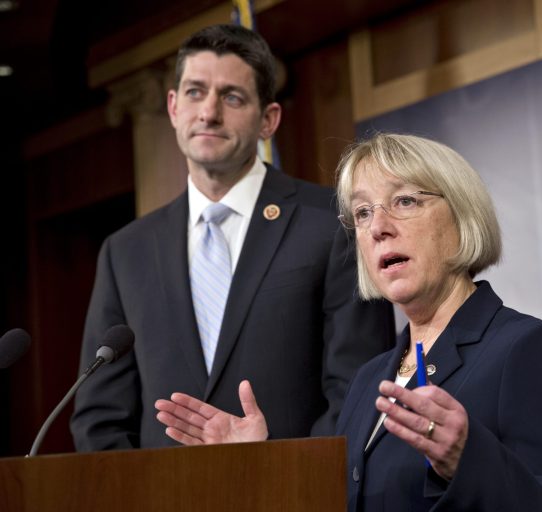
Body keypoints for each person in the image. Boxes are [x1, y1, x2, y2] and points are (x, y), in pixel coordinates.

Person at [155, 133, 542, 511]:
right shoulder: (368, 380)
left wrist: (470, 461)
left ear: (462, 219)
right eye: (362, 212)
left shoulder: (529, 351)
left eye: (404, 201)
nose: (377, 226)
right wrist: (264, 466)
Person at [70, 24, 394, 451]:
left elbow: (357, 389)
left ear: (268, 120)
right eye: (194, 92)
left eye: (232, 96)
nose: (208, 112)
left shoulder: (332, 223)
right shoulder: (125, 252)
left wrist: (285, 479)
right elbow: (100, 419)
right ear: (172, 107)